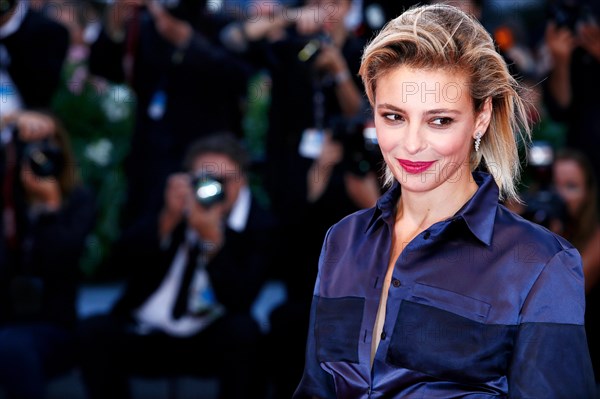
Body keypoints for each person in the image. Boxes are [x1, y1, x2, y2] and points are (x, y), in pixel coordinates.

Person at [294, 4, 596, 398]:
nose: (412, 144)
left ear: (481, 117)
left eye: (440, 120)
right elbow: (316, 388)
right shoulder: (343, 240)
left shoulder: (538, 264)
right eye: (394, 117)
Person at [77, 132, 278, 399]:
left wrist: (213, 243)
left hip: (208, 337)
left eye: (223, 180)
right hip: (147, 331)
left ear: (242, 181)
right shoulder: (169, 199)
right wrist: (166, 220)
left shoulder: (259, 224)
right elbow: (116, 262)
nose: (212, 189)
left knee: (245, 333)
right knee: (93, 331)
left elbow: (241, 300)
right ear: (187, 177)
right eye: (204, 179)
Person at [0, 111, 96, 399]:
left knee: (11, 347)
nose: (39, 158)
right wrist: (9, 123)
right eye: (31, 149)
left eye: (47, 148)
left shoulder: (78, 200)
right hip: (5, 319)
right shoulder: (6, 195)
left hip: (51, 326)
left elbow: (62, 261)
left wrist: (50, 209)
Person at [552, 148, 600, 388]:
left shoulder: (597, 235)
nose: (560, 195)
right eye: (554, 185)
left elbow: (569, 288)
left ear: (588, 192)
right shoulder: (539, 224)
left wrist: (550, 236)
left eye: (571, 186)